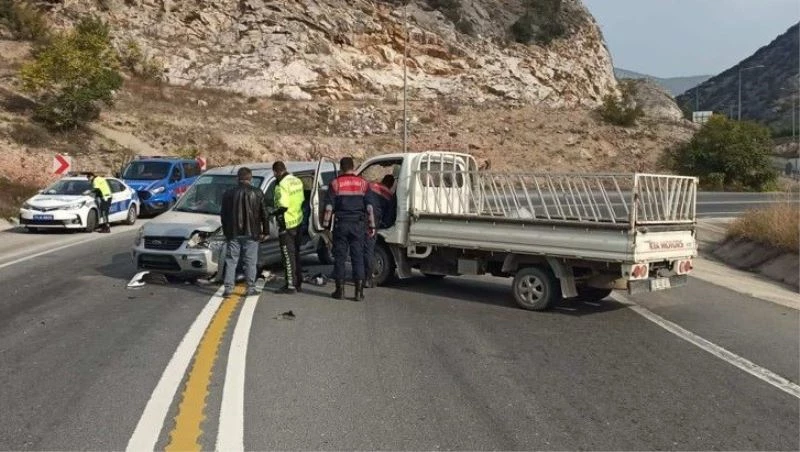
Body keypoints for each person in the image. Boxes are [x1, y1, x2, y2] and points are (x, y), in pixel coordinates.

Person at [323, 157, 375, 301]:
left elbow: (328, 208)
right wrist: (372, 226)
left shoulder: (335, 183)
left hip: (341, 224)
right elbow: (370, 208)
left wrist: (326, 226)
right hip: (358, 225)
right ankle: (358, 293)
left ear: (341, 168)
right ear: (353, 167)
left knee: (340, 258)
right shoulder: (364, 184)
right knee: (357, 257)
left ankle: (340, 292)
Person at [220, 167, 270, 297]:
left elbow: (224, 215)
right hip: (252, 233)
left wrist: (226, 232)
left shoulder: (228, 193)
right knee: (250, 262)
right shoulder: (257, 192)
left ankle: (228, 289)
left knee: (231, 261)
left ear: (238, 178)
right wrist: (266, 231)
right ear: (250, 178)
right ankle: (250, 288)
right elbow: (264, 213)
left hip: (233, 233)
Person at [271, 161, 305, 294]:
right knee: (296, 254)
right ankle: (298, 283)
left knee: (287, 256)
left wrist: (271, 213)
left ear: (276, 172)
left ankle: (290, 285)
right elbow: (301, 199)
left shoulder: (281, 185)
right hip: (298, 221)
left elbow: (282, 206)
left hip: (287, 223)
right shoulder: (297, 180)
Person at [363, 174, 395, 288]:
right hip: (373, 222)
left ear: (382, 180)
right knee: (369, 250)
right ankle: (367, 278)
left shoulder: (371, 185)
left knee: (356, 249)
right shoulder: (390, 195)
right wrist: (384, 225)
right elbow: (389, 216)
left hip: (360, 219)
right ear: (391, 185)